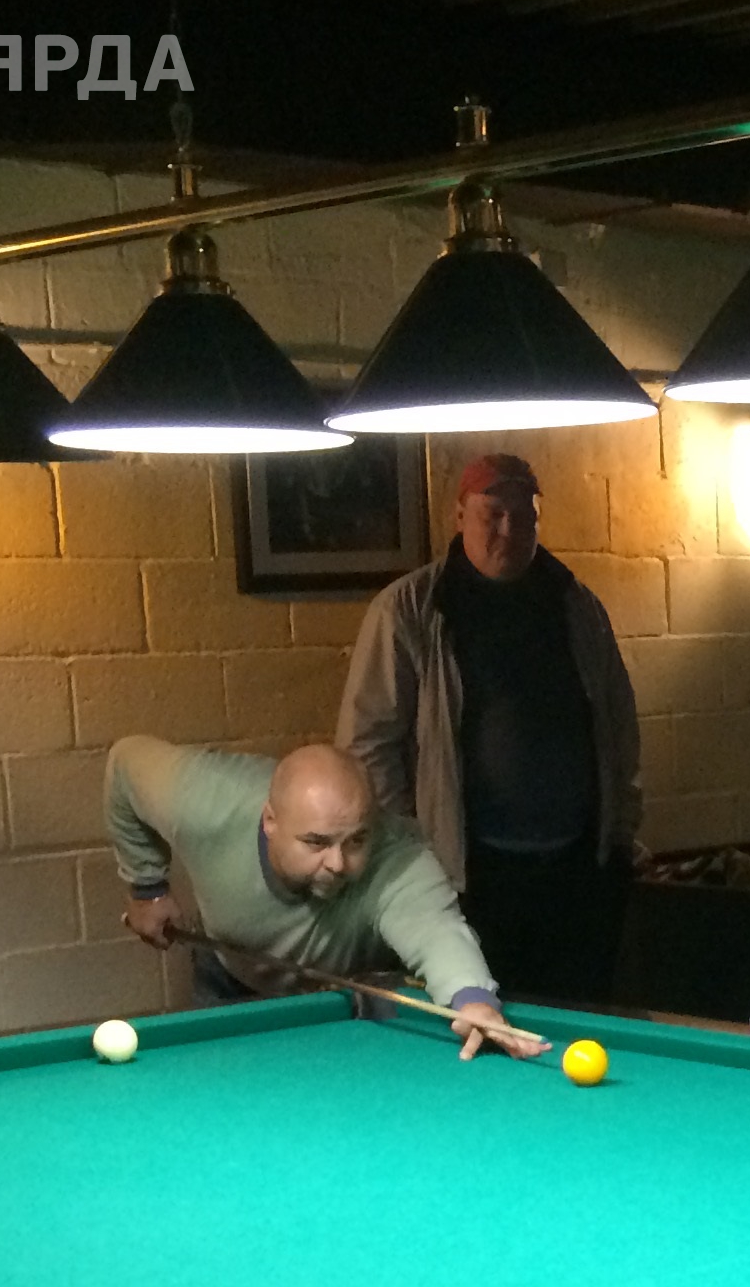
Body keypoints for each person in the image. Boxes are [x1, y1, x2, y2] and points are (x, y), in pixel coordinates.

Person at [337, 451, 642, 1003]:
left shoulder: (575, 605)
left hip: (575, 875)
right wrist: (409, 853)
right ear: (460, 516)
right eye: (493, 515)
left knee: (579, 1019)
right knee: (480, 1016)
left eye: (524, 517)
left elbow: (618, 725)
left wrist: (619, 839)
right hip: (467, 880)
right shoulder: (410, 609)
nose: (509, 530)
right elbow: (369, 745)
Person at [105, 736, 530, 1060]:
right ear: (270, 821)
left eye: (356, 840)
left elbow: (437, 932)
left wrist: (474, 1001)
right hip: (229, 979)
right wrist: (147, 888)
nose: (338, 863)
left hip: (346, 1004)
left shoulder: (398, 857)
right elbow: (125, 763)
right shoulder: (207, 798)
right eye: (316, 842)